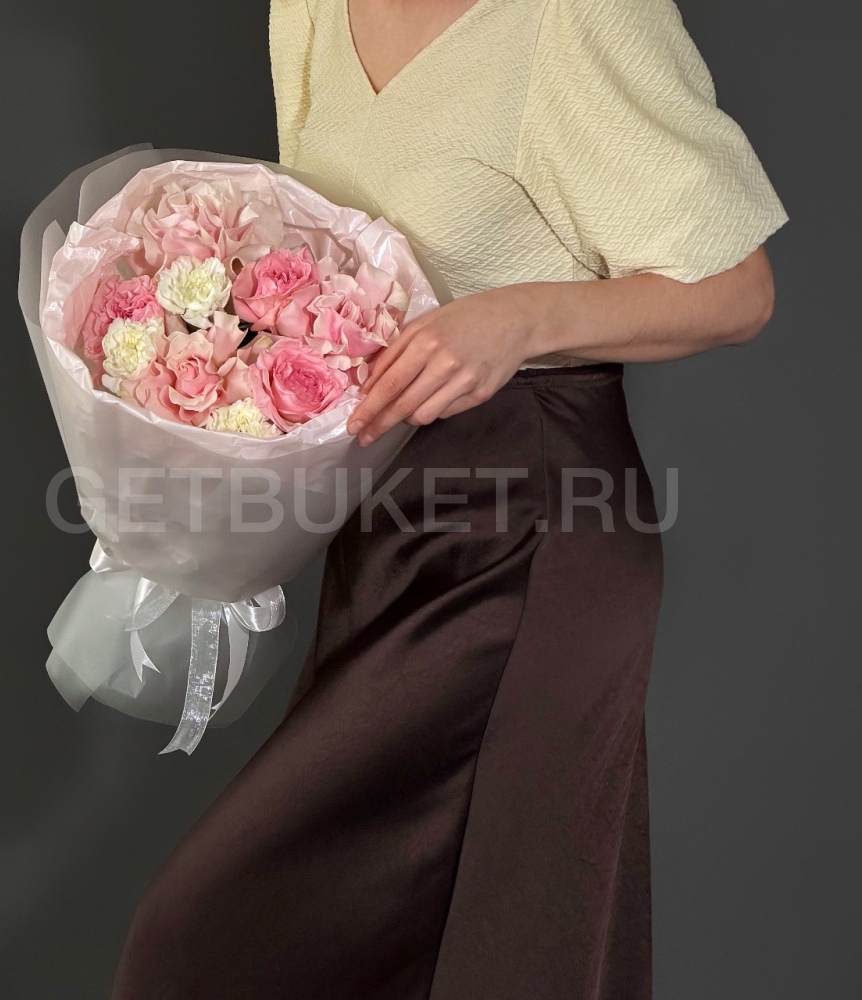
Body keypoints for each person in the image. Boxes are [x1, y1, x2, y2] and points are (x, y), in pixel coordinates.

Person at [110, 1, 788, 997]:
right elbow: (323, 273)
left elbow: (738, 289)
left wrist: (518, 319)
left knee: (225, 942)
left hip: (531, 522)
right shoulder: (306, 11)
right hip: (384, 526)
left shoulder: (575, 15)